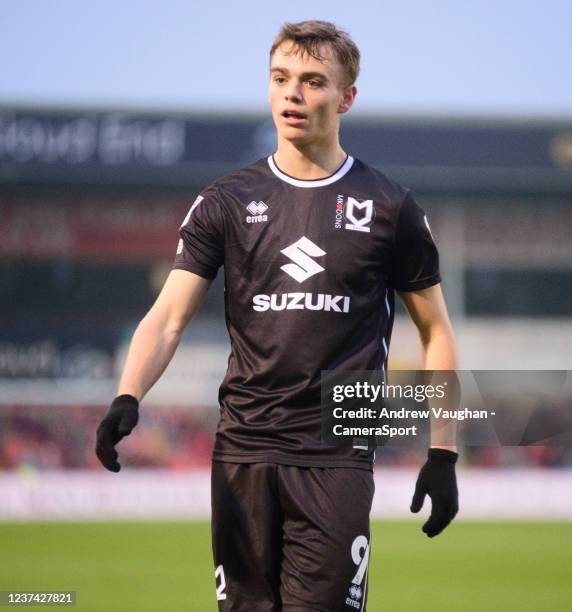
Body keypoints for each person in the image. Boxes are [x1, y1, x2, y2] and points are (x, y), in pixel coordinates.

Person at [96, 20, 459, 612]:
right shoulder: (225, 202)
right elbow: (167, 318)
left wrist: (443, 454)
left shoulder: (391, 207)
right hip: (242, 451)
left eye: (313, 81)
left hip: (336, 454)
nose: (293, 93)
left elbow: (436, 331)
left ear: (346, 98)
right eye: (281, 78)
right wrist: (127, 394)